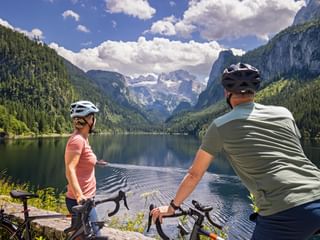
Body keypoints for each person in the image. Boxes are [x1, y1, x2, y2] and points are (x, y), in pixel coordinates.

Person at [151, 63, 320, 240]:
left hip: (284, 209)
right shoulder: (285, 114)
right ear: (255, 89)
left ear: (226, 92)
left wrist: (172, 208)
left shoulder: (220, 126)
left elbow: (194, 174)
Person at [65, 100, 107, 236]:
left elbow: (83, 160)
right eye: (93, 117)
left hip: (87, 199)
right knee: (96, 235)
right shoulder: (77, 140)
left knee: (81, 236)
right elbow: (70, 169)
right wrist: (79, 196)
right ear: (89, 120)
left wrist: (96, 162)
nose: (95, 120)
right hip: (80, 202)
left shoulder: (84, 139)